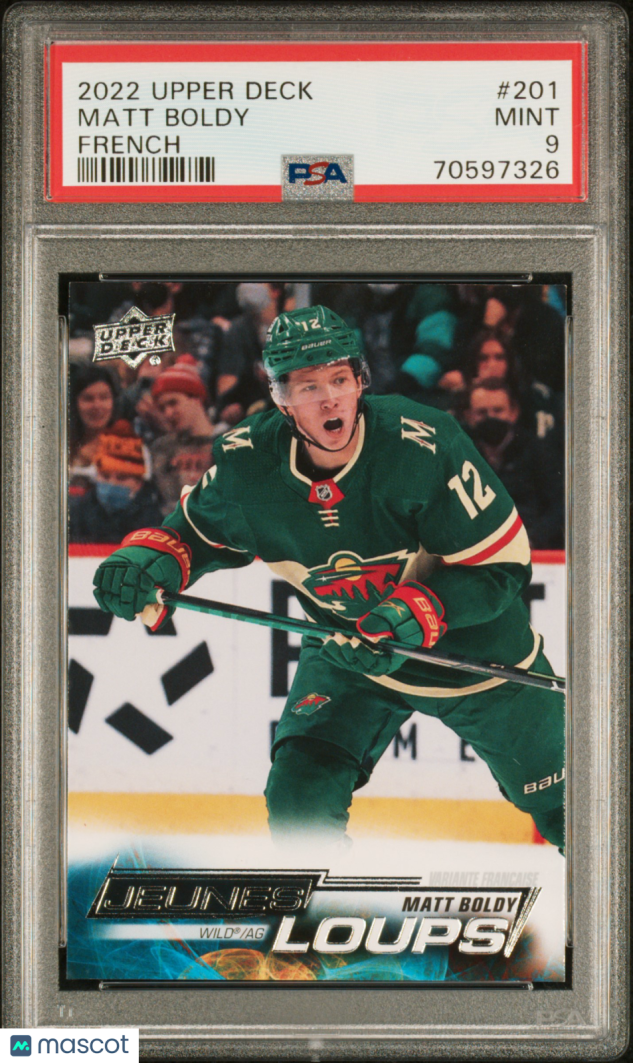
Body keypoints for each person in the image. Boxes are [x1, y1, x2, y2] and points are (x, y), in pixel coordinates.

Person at [92, 306, 565, 852]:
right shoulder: (249, 464)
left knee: (568, 805)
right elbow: (193, 535)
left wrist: (412, 612)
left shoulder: (424, 444)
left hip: (476, 659)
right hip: (350, 651)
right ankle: (325, 903)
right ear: (280, 398)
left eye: (340, 380)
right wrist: (146, 562)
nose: (330, 399)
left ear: (360, 380)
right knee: (299, 800)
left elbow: (500, 568)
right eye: (309, 386)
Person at [463, 378, 564, 550]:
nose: (490, 418)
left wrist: (531, 540)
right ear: (469, 416)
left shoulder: (539, 451)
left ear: (514, 412)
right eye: (481, 412)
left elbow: (558, 507)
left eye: (498, 411)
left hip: (532, 548)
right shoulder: (460, 454)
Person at [69, 420, 163, 543]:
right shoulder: (76, 513)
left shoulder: (155, 521)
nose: (112, 483)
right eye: (105, 476)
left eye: (122, 478)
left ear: (139, 483)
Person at [149, 355, 219, 516]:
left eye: (173, 403)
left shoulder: (229, 441)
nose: (168, 413)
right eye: (162, 408)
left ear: (196, 399)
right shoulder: (161, 449)